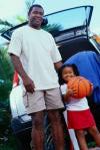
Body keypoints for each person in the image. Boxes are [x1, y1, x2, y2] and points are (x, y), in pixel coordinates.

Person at [8, 4, 65, 150]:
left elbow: (57, 62)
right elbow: (14, 56)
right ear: (29, 14)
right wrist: (25, 79)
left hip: (52, 83)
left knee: (56, 119)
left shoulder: (48, 36)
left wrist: (70, 78)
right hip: (32, 85)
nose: (38, 15)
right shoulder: (19, 33)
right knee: (38, 122)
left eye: (41, 13)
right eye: (35, 13)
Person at [59, 64, 100, 150]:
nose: (68, 75)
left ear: (75, 73)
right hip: (73, 112)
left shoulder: (81, 82)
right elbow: (66, 101)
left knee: (94, 130)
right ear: (61, 76)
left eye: (70, 72)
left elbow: (88, 94)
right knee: (80, 133)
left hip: (85, 110)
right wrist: (67, 94)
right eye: (65, 73)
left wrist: (90, 89)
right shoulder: (64, 87)